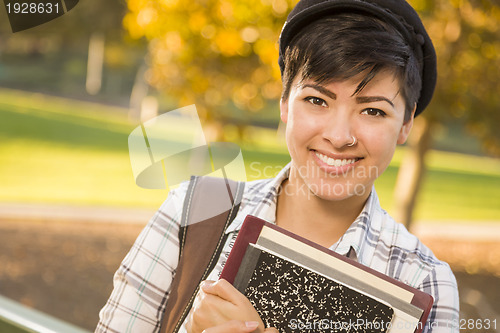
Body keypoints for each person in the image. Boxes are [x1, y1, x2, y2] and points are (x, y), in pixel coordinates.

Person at [96, 0, 460, 332]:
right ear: (285, 103)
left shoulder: (424, 280)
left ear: (407, 123)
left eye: (373, 110)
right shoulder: (192, 211)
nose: (339, 135)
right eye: (317, 100)